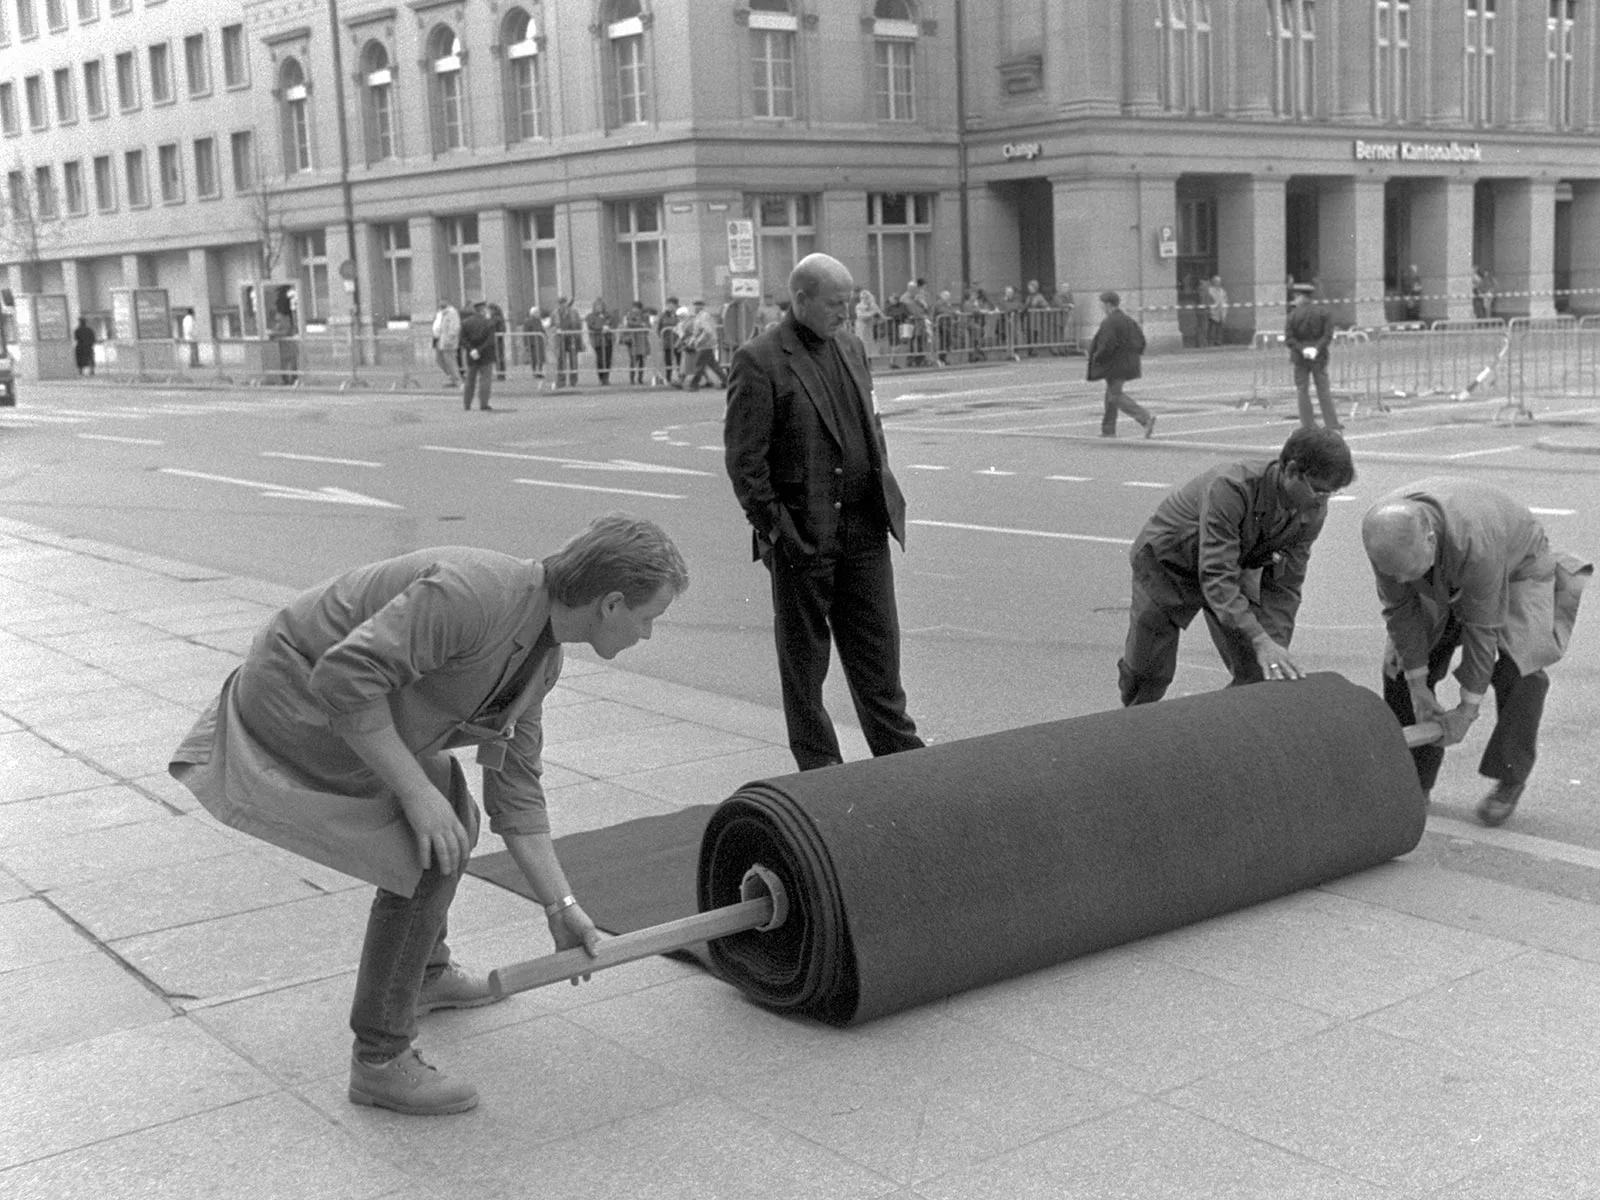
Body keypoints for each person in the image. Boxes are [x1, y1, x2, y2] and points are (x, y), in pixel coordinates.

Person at [168, 514, 690, 1116]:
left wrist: (562, 907)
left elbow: (516, 795)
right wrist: (417, 797)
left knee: (453, 820)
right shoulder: (475, 594)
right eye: (648, 618)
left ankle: (425, 973)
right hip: (294, 695)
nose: (647, 634)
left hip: (340, 700)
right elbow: (343, 675)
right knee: (432, 847)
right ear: (611, 603)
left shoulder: (542, 658)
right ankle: (380, 1061)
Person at [724, 251, 924, 771]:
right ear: (801, 299)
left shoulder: (852, 347)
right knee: (806, 669)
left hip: (864, 532)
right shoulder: (760, 359)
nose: (847, 313)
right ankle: (820, 772)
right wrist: (780, 531)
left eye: (850, 302)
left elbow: (871, 428)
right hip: (804, 539)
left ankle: (900, 760)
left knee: (879, 660)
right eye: (836, 303)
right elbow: (746, 463)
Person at [1362, 479, 1592, 827]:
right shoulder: (1386, 539)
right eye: (1396, 574)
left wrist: (1467, 711)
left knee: (1522, 668)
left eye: (1409, 571)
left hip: (1515, 568)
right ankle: (1415, 780)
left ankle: (1510, 776)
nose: (1402, 579)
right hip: (1444, 570)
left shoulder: (1476, 541)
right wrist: (1418, 686)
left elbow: (1482, 630)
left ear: (1430, 540)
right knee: (1397, 667)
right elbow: (1400, 611)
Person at [1117, 428, 1354, 707]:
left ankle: (1220, 734)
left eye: (1332, 493)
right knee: (1150, 677)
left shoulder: (1311, 508)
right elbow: (1217, 574)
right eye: (1320, 490)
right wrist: (1258, 637)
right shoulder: (1232, 487)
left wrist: (1272, 645)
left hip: (1230, 568)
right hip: (1168, 566)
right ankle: (1134, 737)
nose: (1323, 500)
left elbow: (1285, 585)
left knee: (1260, 673)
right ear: (1291, 470)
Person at [1087, 290, 1154, 438]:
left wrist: (1096, 357)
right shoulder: (1128, 320)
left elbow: (1106, 344)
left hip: (1115, 364)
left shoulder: (1110, 321)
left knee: (1115, 396)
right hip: (1127, 363)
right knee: (1110, 395)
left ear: (1108, 305)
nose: (1101, 307)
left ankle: (1145, 418)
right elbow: (1141, 341)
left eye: (1102, 304)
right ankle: (1108, 430)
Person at [1284, 283, 1342, 432]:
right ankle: (1331, 422)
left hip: (1300, 358)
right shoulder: (1323, 313)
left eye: (1295, 297)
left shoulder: (1293, 315)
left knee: (1302, 390)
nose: (1294, 300)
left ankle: (1308, 424)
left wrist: (1303, 349)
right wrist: (1316, 348)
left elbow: (1289, 339)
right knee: (1323, 390)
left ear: (1301, 297)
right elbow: (1328, 335)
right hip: (1319, 357)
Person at [680, 298, 726, 391]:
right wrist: (692, 341)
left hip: (705, 344)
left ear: (701, 307)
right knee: (713, 365)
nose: (695, 307)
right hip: (705, 344)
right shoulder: (699, 316)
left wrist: (699, 341)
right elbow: (697, 332)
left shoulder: (703, 316)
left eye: (697, 306)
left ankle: (694, 384)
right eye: (695, 305)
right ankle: (726, 381)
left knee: (699, 365)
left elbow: (707, 331)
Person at [458, 300, 496, 411]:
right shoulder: (489, 323)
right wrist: (479, 350)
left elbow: (462, 339)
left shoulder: (465, 322)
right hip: (486, 355)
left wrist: (472, 350)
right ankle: (483, 404)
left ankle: (467, 404)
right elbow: (490, 341)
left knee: (470, 380)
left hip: (471, 356)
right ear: (483, 310)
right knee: (485, 380)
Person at [551, 297, 583, 389]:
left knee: (573, 360)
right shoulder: (555, 313)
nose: (563, 305)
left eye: (564, 303)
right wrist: (556, 330)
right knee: (561, 360)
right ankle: (561, 381)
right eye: (561, 303)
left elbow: (578, 324)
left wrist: (577, 335)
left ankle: (573, 381)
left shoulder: (573, 312)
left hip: (572, 337)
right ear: (558, 304)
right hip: (560, 338)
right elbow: (552, 325)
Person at [620, 300, 651, 385]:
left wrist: (640, 324)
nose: (635, 310)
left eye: (637, 308)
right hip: (633, 340)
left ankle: (640, 379)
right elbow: (630, 323)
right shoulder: (629, 315)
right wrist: (640, 324)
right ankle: (632, 379)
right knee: (633, 360)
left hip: (642, 340)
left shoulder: (645, 316)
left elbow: (648, 326)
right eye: (634, 307)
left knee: (641, 360)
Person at [585, 298, 615, 385]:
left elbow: (611, 322)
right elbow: (591, 325)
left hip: (608, 340)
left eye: (601, 305)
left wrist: (607, 325)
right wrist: (602, 327)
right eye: (597, 305)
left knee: (608, 359)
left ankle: (606, 377)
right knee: (600, 360)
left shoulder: (607, 315)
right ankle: (601, 377)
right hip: (598, 341)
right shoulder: (590, 316)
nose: (599, 307)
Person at [431, 300, 461, 386]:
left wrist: (449, 338)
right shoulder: (440, 313)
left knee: (450, 361)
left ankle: (457, 380)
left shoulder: (452, 313)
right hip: (439, 339)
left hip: (447, 341)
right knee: (439, 359)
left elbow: (455, 327)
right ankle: (451, 376)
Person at [656, 297, 681, 386]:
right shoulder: (663, 315)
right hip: (667, 342)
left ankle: (680, 378)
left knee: (679, 361)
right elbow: (659, 328)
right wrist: (660, 337)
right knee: (668, 361)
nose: (670, 307)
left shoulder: (679, 314)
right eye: (668, 304)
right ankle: (668, 379)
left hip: (678, 342)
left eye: (672, 304)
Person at [854, 287, 884, 358]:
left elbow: (880, 314)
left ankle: (869, 359)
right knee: (862, 343)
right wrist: (871, 313)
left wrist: (880, 317)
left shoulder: (872, 305)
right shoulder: (859, 306)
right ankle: (863, 357)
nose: (865, 299)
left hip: (869, 328)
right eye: (863, 297)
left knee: (869, 343)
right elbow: (860, 316)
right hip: (861, 328)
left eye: (867, 297)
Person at [522, 305, 546, 377]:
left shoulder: (539, 320)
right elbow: (525, 333)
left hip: (539, 342)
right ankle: (535, 372)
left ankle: (540, 372)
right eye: (537, 312)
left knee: (541, 358)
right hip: (532, 343)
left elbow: (542, 329)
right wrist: (526, 344)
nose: (539, 314)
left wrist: (545, 335)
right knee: (534, 358)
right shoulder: (527, 321)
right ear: (533, 313)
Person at [1205, 275, 1229, 347]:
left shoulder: (1222, 291)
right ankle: (1210, 342)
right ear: (1213, 282)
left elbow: (1225, 301)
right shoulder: (1210, 290)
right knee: (1212, 328)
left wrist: (1225, 311)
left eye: (1219, 282)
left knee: (1220, 328)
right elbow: (1208, 301)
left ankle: (1218, 341)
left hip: (1221, 312)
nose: (1218, 283)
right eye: (1216, 281)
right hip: (1213, 313)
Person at [487, 302, 508, 382]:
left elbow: (501, 329)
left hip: (497, 341)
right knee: (497, 358)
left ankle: (501, 375)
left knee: (499, 358)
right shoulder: (496, 317)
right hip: (494, 341)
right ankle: (500, 374)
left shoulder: (496, 318)